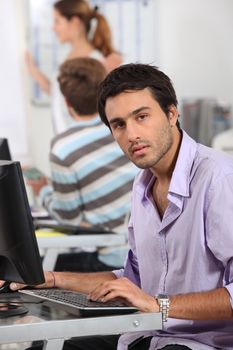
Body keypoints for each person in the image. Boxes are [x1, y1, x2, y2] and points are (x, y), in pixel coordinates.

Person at [5, 63, 233, 349]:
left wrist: (156, 304)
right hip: (150, 335)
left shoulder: (219, 179)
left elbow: (153, 300)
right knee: (47, 347)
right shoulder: (142, 186)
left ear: (172, 113)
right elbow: (133, 279)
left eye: (142, 116)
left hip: (203, 343)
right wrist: (50, 279)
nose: (131, 134)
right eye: (119, 125)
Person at [29, 57, 137, 271]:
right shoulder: (121, 127)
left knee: (32, 270)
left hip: (110, 258)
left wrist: (42, 191)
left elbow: (69, 217)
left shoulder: (63, 147)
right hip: (138, 250)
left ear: (67, 103)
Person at [26, 0, 122, 134]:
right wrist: (33, 71)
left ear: (75, 22)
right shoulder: (70, 57)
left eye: (57, 21)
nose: (53, 28)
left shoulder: (95, 62)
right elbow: (58, 93)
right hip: (66, 139)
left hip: (81, 143)